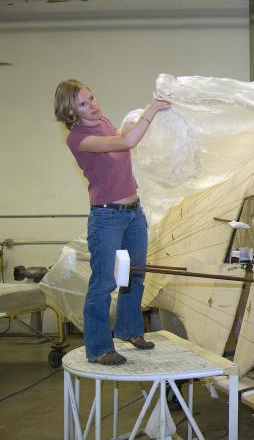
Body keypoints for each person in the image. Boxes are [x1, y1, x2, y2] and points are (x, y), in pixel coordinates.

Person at [54, 79, 170, 365]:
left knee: (136, 273)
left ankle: (130, 330)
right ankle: (99, 348)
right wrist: (150, 110)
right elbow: (126, 142)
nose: (92, 105)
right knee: (104, 282)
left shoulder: (103, 121)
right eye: (83, 103)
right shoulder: (78, 138)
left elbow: (122, 138)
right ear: (70, 112)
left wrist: (139, 121)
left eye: (91, 98)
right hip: (107, 217)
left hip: (133, 211)